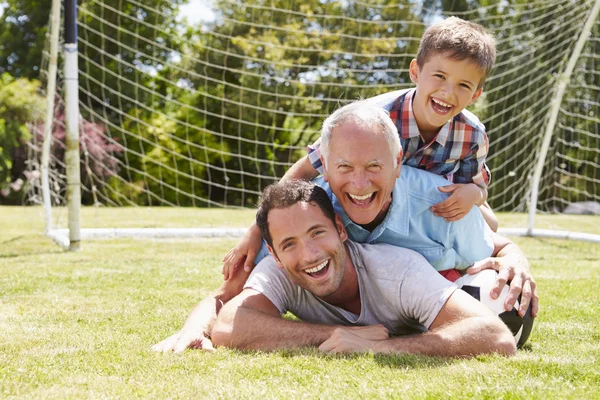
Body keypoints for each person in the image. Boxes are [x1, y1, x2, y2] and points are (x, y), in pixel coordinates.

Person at [152, 102, 537, 354]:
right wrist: (194, 325)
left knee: (484, 229)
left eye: (373, 167)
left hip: (434, 271)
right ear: (325, 165)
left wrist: (513, 254)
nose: (359, 183)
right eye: (344, 168)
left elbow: (495, 333)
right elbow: (226, 309)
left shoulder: (437, 208)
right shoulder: (304, 218)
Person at [208, 180, 516, 357]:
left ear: (340, 229)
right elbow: (227, 327)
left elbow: (495, 336)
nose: (310, 254)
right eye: (289, 244)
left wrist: (377, 349)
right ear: (274, 255)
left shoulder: (397, 269)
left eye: (317, 233)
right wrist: (337, 333)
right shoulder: (278, 272)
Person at [278, 16, 498, 229]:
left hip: (418, 219)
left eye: (463, 85)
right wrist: (260, 227)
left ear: (475, 95)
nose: (448, 92)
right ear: (415, 71)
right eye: (439, 76)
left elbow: (477, 190)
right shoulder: (371, 120)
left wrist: (476, 194)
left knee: (491, 225)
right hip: (356, 210)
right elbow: (304, 170)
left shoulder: (472, 134)